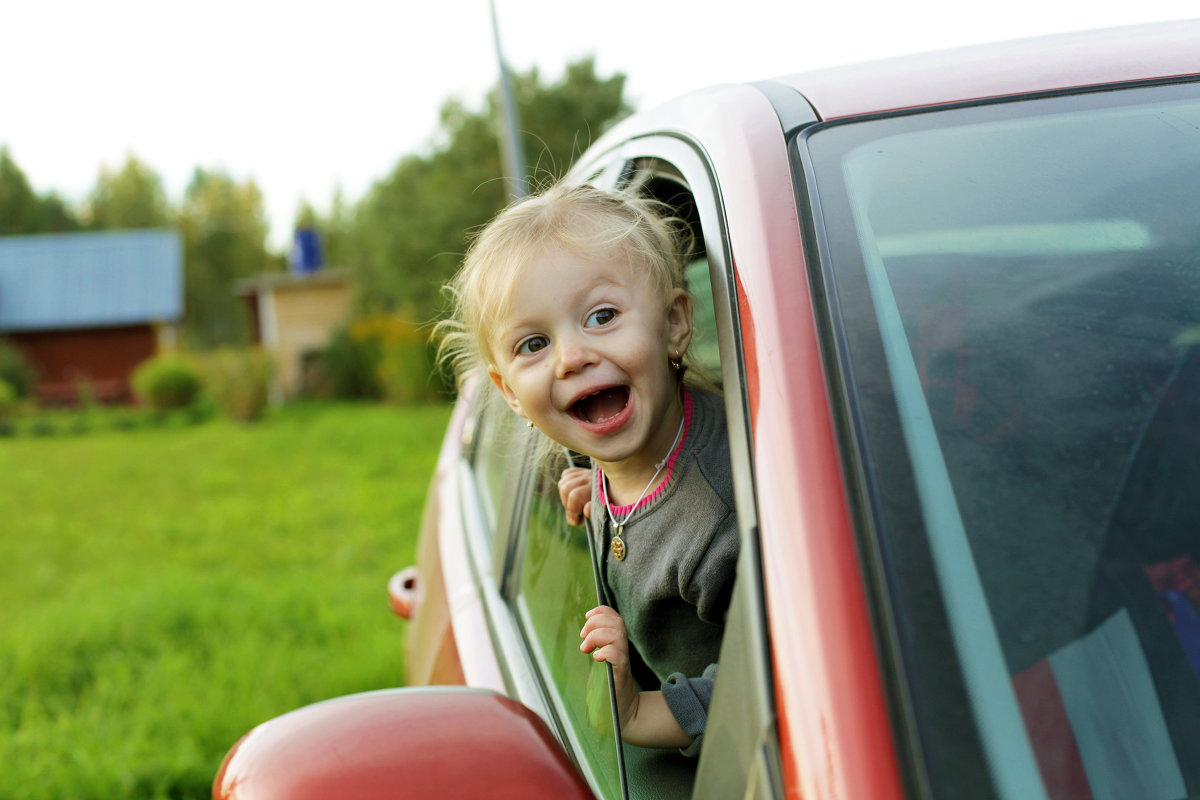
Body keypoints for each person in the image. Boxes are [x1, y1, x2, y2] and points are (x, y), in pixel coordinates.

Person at [439, 183, 738, 755]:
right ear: (508, 393)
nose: (571, 356)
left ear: (675, 323)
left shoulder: (723, 516)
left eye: (602, 316)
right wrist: (599, 489)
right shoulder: (620, 455)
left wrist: (637, 712)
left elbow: (774, 687)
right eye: (533, 343)